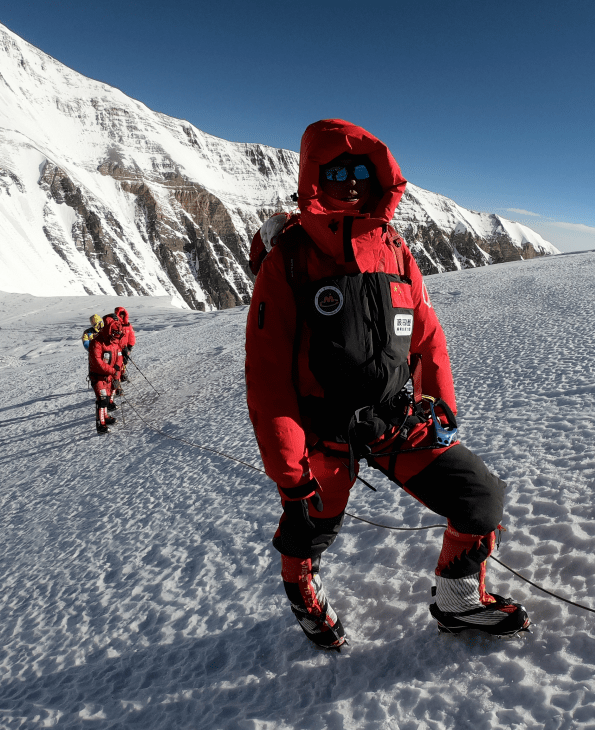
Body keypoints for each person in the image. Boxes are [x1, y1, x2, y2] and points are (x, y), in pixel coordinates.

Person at [244, 119, 530, 649]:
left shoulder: (394, 248)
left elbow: (425, 334)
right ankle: (301, 588)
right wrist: (289, 472)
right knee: (311, 527)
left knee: (480, 497)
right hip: (323, 437)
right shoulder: (289, 259)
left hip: (398, 420)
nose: (351, 181)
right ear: (312, 178)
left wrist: (440, 402)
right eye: (336, 171)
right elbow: (267, 377)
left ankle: (458, 601)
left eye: (360, 170)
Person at [88, 315, 122, 434]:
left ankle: (105, 417)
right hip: (98, 376)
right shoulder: (96, 343)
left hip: (108, 376)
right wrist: (113, 371)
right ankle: (100, 425)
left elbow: (118, 356)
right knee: (102, 400)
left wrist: (117, 373)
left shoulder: (114, 342)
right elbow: (98, 363)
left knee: (107, 399)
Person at [114, 307, 136, 383]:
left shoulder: (128, 325)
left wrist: (130, 345)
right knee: (117, 362)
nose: (122, 316)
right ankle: (117, 376)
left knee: (125, 361)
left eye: (123, 314)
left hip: (125, 347)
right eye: (120, 314)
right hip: (116, 347)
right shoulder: (115, 324)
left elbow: (131, 335)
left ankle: (122, 374)